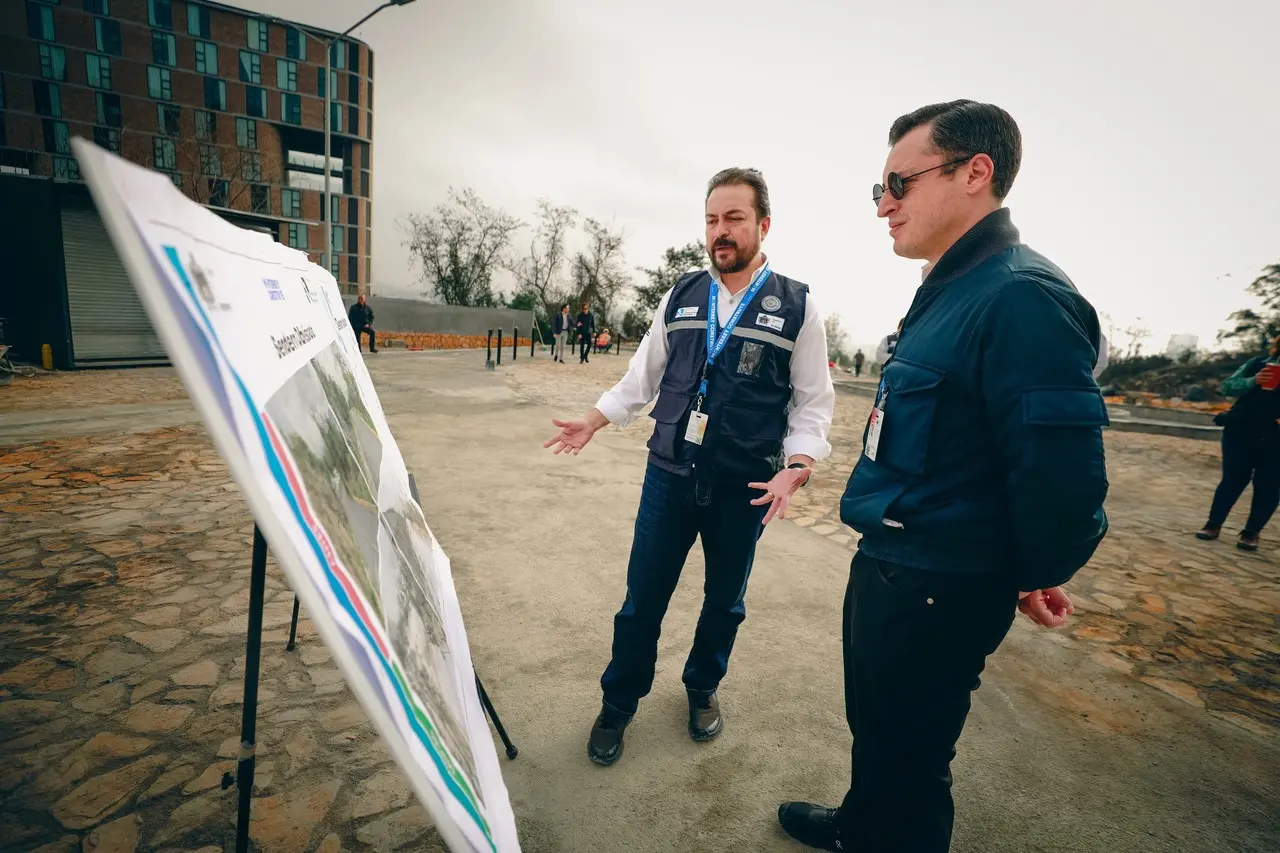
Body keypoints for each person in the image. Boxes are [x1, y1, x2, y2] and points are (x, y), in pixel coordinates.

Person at [777, 100, 1109, 853]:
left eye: (898, 182)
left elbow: (1062, 484)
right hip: (894, 565)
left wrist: (1025, 570)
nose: (884, 204)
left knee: (915, 761)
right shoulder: (952, 288)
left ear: (975, 174)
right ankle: (861, 826)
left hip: (940, 586)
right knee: (880, 736)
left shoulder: (1021, 296)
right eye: (877, 190)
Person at [544, 167, 835, 766]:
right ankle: (619, 701)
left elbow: (814, 404)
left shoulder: (798, 307)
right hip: (670, 476)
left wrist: (797, 464)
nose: (720, 231)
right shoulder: (679, 296)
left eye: (733, 218)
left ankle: (703, 688)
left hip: (746, 484)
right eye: (711, 220)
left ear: (762, 225)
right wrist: (595, 420)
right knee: (641, 600)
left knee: (724, 601)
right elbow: (641, 378)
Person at [1194, 336, 1280, 551]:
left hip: (1276, 436)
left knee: (1269, 485)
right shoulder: (1258, 364)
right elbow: (1228, 386)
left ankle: (1251, 533)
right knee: (1233, 478)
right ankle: (1213, 524)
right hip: (1241, 429)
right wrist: (1254, 381)